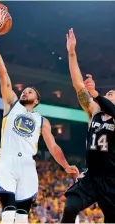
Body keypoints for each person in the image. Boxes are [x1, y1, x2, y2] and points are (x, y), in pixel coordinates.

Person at [0, 39, 79, 224]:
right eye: (24, 91)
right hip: (7, 159)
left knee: (23, 216)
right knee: (8, 211)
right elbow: (2, 73)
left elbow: (53, 146)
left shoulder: (41, 120)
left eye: (30, 92)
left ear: (36, 101)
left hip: (28, 165)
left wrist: (65, 165)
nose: (25, 92)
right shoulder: (11, 104)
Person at [61, 28, 115, 223]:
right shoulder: (94, 112)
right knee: (70, 207)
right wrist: (72, 53)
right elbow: (78, 84)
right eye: (107, 93)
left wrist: (96, 94)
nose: (108, 94)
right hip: (92, 177)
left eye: (112, 94)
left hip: (112, 179)